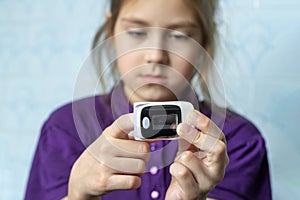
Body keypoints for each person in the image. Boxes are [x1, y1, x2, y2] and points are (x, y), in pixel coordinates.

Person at [25, 0, 272, 199]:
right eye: (137, 32)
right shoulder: (63, 130)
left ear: (204, 41)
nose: (155, 55)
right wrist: (78, 195)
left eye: (179, 36)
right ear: (111, 31)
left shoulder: (239, 142)